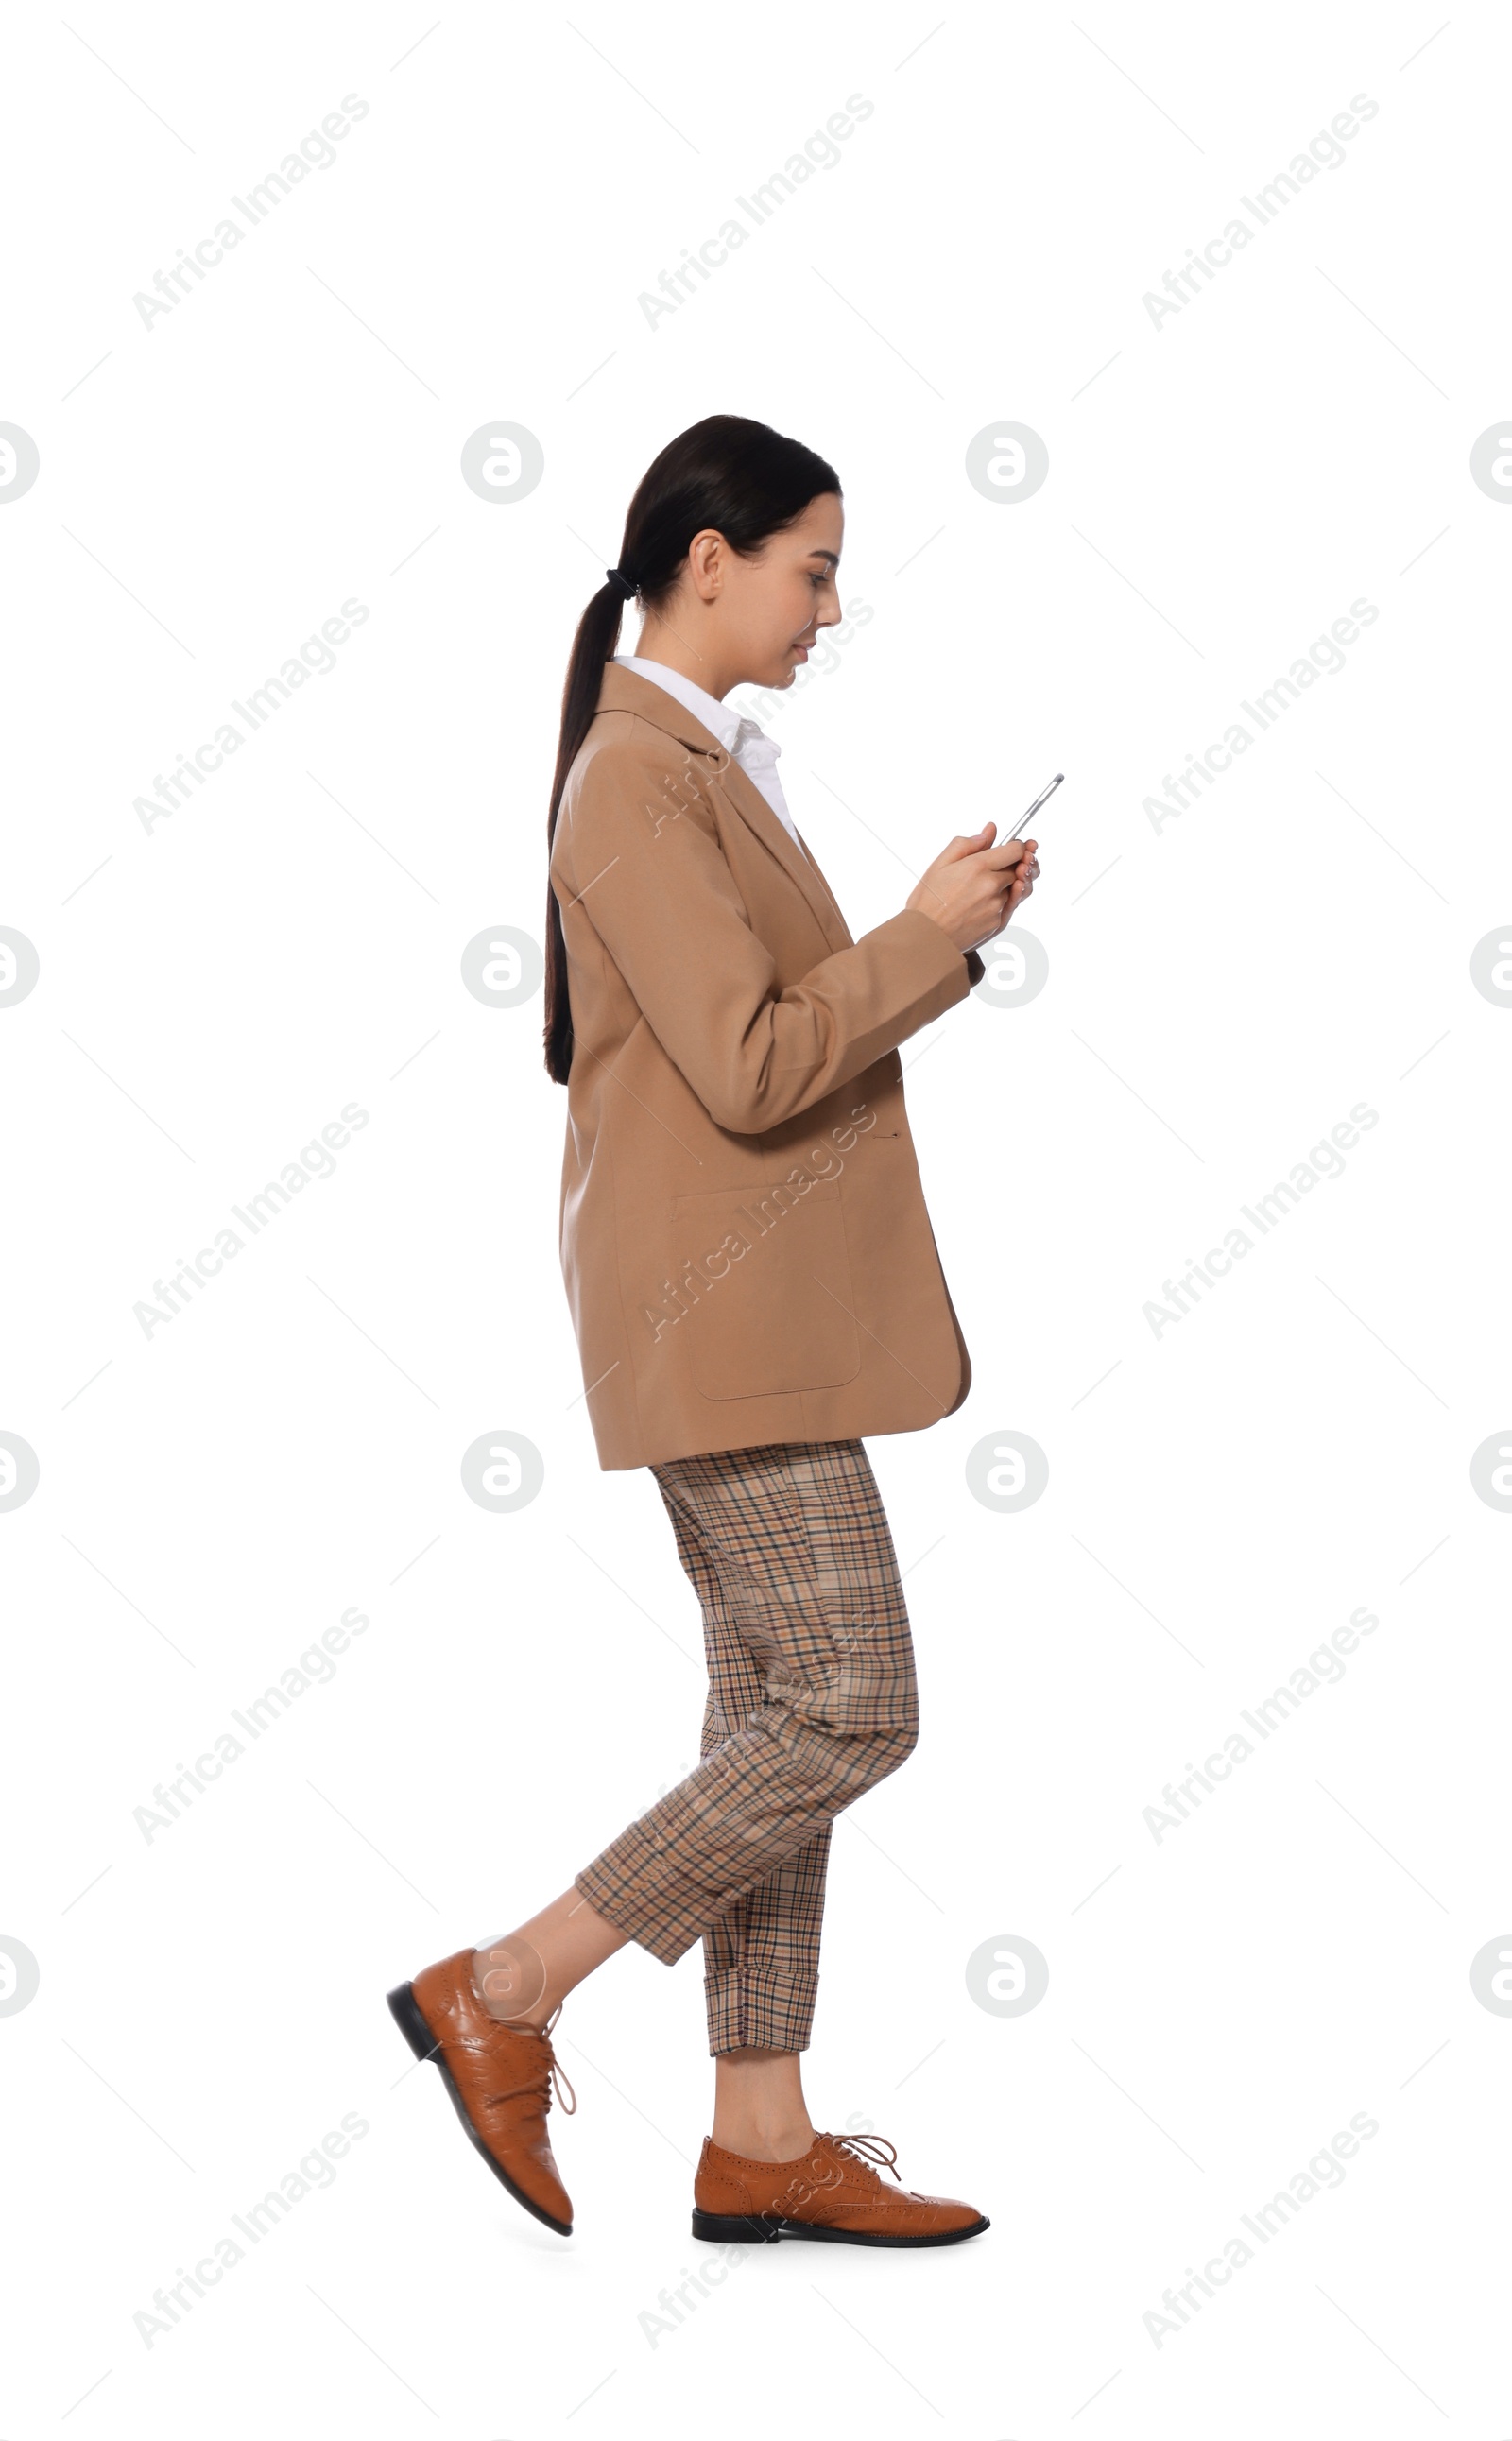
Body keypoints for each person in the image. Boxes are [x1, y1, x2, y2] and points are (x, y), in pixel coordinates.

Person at [387, 414, 1039, 2248]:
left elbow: (752, 1035)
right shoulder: (629, 777)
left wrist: (937, 937)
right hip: (719, 1327)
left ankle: (757, 2131)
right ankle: (506, 1986)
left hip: (753, 1321)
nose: (830, 604)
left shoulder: (682, 765)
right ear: (708, 559)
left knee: (772, 1706)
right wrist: (923, 935)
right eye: (811, 564)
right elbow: (755, 1064)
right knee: (850, 1702)